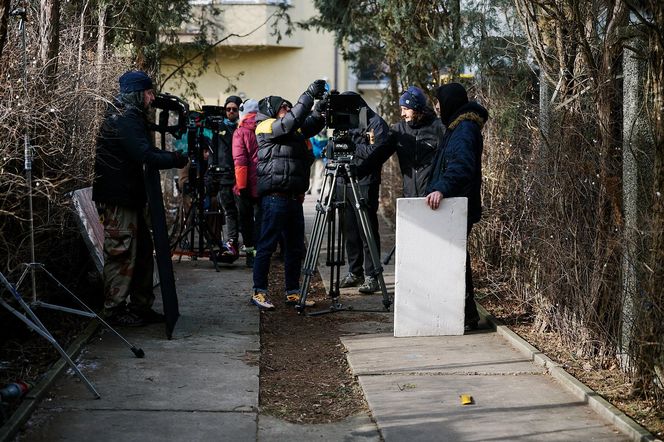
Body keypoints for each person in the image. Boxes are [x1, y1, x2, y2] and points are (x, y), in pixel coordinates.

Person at [93, 70, 189, 326]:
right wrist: (176, 159)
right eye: (147, 93)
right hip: (119, 200)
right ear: (136, 94)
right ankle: (114, 311)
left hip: (129, 197)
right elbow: (144, 154)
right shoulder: (123, 118)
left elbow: (143, 152)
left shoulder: (129, 116)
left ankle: (140, 306)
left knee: (144, 253)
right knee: (121, 253)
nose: (151, 98)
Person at [251, 80, 327, 310]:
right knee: (266, 245)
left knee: (294, 248)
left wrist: (322, 108)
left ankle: (292, 292)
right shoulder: (265, 127)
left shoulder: (290, 128)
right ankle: (259, 291)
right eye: (284, 106)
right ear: (272, 109)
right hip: (274, 198)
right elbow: (291, 121)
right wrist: (308, 95)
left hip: (294, 198)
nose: (289, 109)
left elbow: (310, 124)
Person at [425, 82, 489, 331]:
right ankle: (465, 313)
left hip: (457, 206)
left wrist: (442, 188)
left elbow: (461, 166)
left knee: (455, 259)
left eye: (439, 102)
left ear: (450, 102)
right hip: (456, 206)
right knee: (456, 258)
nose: (437, 107)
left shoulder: (464, 130)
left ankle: (463, 313)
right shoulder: (457, 127)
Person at [337, 93, 390, 294]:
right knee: (349, 230)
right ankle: (355, 272)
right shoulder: (347, 121)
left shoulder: (376, 124)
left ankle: (372, 275)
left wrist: (353, 146)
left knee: (366, 230)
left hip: (365, 182)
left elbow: (376, 152)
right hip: (344, 180)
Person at [390, 86, 445, 197]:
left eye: (405, 109)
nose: (402, 114)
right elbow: (379, 154)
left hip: (433, 197)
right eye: (401, 109)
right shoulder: (398, 130)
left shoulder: (439, 127)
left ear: (416, 108)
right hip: (408, 197)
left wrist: (442, 189)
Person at [207, 95, 243, 259]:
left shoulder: (242, 128)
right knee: (229, 212)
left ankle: (248, 245)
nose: (230, 112)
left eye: (234, 109)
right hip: (223, 177)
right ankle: (232, 243)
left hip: (239, 176)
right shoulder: (218, 129)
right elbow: (213, 153)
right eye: (228, 109)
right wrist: (212, 173)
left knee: (242, 212)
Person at [232, 98, 261, 267]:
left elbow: (240, 160)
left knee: (246, 221)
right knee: (260, 220)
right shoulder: (265, 128)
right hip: (263, 182)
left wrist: (241, 185)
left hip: (245, 185)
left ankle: (250, 254)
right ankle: (260, 253)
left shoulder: (241, 131)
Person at [307, 129, 328, 195]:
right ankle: (317, 188)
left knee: (310, 173)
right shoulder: (326, 138)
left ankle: (309, 188)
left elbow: (311, 146)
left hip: (313, 156)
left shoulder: (312, 137)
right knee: (319, 173)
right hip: (320, 156)